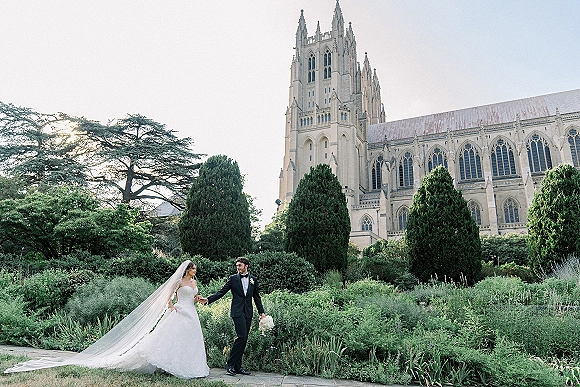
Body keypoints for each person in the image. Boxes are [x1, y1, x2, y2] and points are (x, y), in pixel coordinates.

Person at [5, 260, 210, 379]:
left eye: (195, 270)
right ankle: (166, 366)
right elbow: (169, 297)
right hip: (178, 313)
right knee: (168, 339)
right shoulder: (178, 280)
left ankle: (188, 365)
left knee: (188, 341)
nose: (195, 272)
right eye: (193, 269)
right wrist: (172, 307)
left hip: (191, 314)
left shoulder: (193, 282)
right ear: (187, 269)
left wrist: (198, 298)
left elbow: (191, 296)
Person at [198, 256, 265, 376]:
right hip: (237, 312)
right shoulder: (233, 279)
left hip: (248, 312)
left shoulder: (253, 279)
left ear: (246, 266)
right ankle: (230, 364)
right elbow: (221, 292)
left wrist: (262, 313)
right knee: (241, 336)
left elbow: (257, 297)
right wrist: (207, 300)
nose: (238, 268)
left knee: (244, 339)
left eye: (240, 265)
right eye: (237, 266)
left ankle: (238, 367)